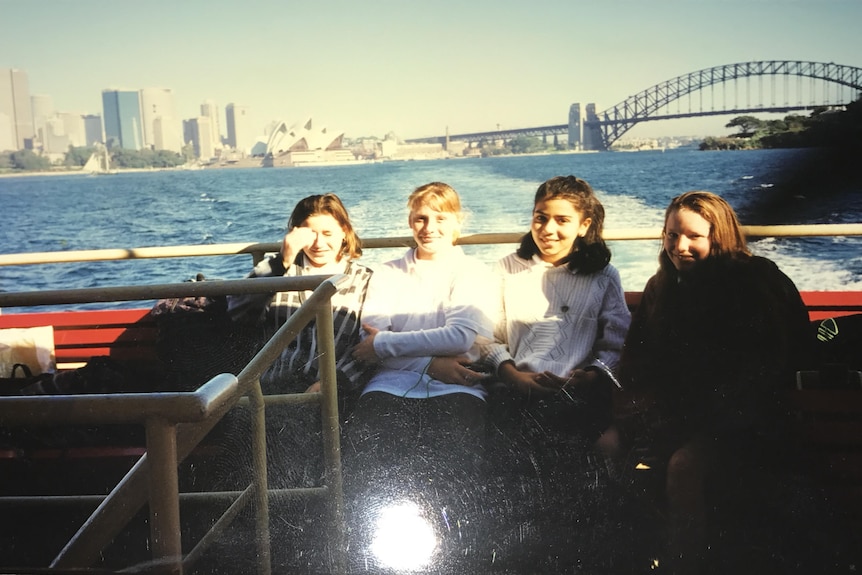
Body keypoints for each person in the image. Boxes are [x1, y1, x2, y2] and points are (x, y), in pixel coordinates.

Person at [615, 191, 813, 574]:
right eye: (672, 235)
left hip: (747, 423)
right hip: (679, 418)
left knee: (685, 467)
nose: (679, 247)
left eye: (694, 237)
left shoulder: (755, 283)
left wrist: (691, 424)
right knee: (608, 448)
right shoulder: (662, 288)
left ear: (718, 237)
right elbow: (637, 361)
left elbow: (770, 367)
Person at [479, 175, 632, 572]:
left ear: (584, 225)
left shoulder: (602, 276)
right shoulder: (506, 270)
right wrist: (510, 373)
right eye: (540, 217)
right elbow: (484, 337)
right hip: (516, 388)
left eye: (562, 220)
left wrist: (591, 375)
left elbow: (616, 343)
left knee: (567, 470)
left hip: (578, 391)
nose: (548, 229)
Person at [345, 181, 496, 571]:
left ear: (458, 222)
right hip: (391, 385)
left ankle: (454, 561)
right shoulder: (388, 273)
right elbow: (369, 344)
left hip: (458, 385)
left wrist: (389, 345)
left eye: (440, 218)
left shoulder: (473, 272)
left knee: (455, 467)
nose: (429, 226)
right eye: (420, 218)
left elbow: (461, 337)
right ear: (410, 222)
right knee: (371, 465)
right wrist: (430, 363)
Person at [223, 193, 373, 572]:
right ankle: (267, 539)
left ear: (345, 234)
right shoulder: (279, 274)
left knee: (300, 443)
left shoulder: (364, 280)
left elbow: (366, 351)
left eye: (327, 232)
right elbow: (236, 311)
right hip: (271, 385)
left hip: (331, 386)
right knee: (250, 433)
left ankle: (303, 541)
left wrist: (332, 382)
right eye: (309, 233)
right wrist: (282, 260)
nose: (319, 243)